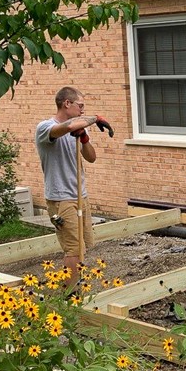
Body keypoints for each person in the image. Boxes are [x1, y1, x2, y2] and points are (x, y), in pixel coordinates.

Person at [35, 86, 113, 287]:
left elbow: (91, 158)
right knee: (73, 248)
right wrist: (95, 118)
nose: (82, 110)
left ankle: (77, 284)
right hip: (60, 198)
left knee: (83, 245)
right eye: (80, 105)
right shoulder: (45, 128)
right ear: (66, 103)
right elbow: (67, 127)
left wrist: (84, 138)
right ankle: (70, 294)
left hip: (80, 195)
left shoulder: (79, 128)